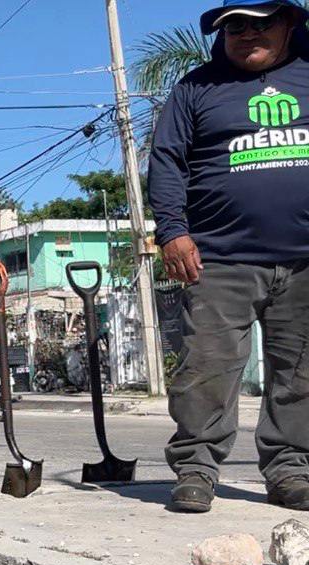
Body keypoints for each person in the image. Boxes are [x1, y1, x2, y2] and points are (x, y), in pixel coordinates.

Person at [148, 0, 309, 514]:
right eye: (235, 25)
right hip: (219, 258)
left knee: (301, 373)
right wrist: (173, 232)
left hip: (306, 260)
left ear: (289, 22)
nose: (247, 33)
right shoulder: (196, 88)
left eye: (262, 22)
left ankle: (290, 469)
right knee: (207, 369)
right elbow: (168, 161)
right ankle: (196, 467)